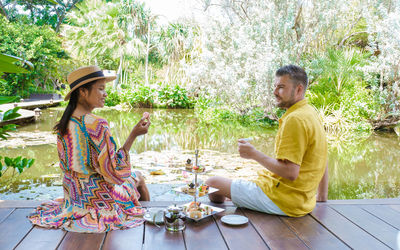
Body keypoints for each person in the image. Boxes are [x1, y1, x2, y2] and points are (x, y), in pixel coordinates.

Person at [28, 65, 151, 232]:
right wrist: (133, 135)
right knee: (139, 177)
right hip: (100, 202)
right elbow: (114, 173)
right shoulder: (97, 125)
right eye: (100, 89)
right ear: (83, 92)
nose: (105, 94)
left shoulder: (64, 125)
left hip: (74, 200)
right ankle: (149, 217)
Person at [206, 65, 328, 217]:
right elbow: (323, 157)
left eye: (281, 87)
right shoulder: (311, 113)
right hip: (302, 201)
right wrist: (322, 197)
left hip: (282, 201)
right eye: (275, 86)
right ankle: (242, 203)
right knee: (232, 183)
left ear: (298, 89)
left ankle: (228, 218)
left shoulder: (295, 119)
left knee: (212, 184)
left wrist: (253, 154)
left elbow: (290, 173)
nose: (275, 92)